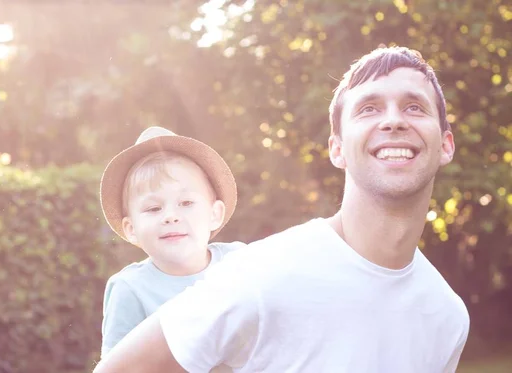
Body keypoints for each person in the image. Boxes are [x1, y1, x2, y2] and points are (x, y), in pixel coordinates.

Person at [94, 46, 470, 373]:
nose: (393, 120)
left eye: (414, 106)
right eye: (369, 108)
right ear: (336, 148)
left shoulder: (447, 316)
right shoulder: (258, 274)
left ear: (446, 145)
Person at [98, 126, 245, 360]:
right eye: (154, 208)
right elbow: (118, 367)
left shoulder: (239, 262)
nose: (171, 216)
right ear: (131, 229)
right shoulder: (131, 288)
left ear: (214, 213)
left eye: (186, 203)